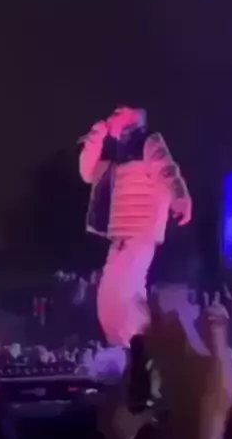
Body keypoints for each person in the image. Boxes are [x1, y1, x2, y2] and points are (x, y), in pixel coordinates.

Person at [79, 106, 192, 346]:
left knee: (125, 296)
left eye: (117, 113)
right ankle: (128, 347)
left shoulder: (148, 142)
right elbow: (88, 172)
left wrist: (180, 196)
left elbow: (167, 170)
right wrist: (95, 140)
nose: (111, 116)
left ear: (130, 118)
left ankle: (144, 347)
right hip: (120, 236)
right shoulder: (116, 155)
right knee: (108, 302)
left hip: (141, 232)